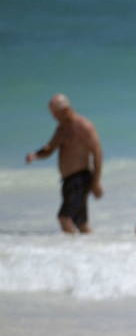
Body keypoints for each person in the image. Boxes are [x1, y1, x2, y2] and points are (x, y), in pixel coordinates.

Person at [23, 94, 104, 234]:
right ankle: (94, 250)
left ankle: (71, 252)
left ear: (65, 110)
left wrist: (96, 182)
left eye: (55, 113)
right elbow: (50, 148)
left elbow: (97, 153)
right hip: (68, 181)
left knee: (64, 218)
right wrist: (35, 155)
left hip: (80, 179)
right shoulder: (62, 128)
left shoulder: (84, 126)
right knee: (81, 223)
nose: (54, 117)